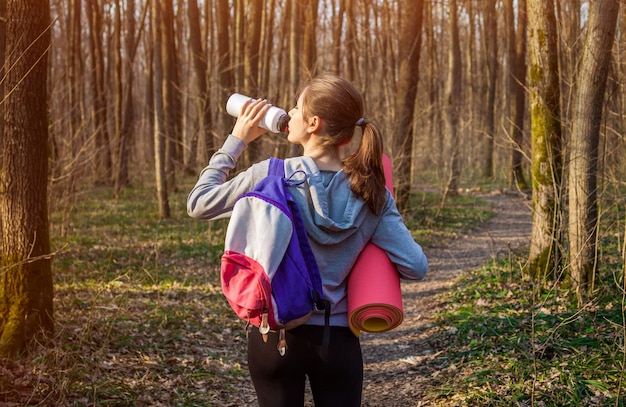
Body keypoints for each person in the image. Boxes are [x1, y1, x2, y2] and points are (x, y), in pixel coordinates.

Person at [187, 73, 428, 407]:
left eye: (297, 107)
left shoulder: (270, 175)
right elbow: (415, 266)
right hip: (339, 342)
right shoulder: (373, 193)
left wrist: (236, 140)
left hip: (277, 335)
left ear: (314, 123)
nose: (290, 112)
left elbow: (199, 204)